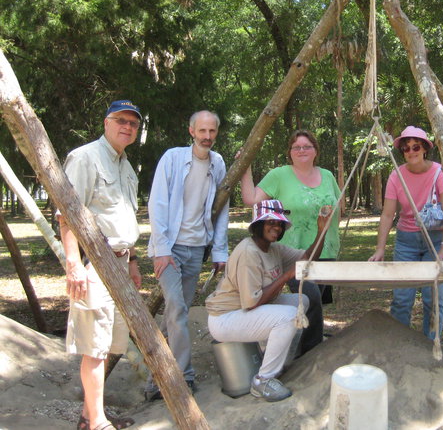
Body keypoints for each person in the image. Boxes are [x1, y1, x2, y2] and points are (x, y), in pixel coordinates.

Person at [60, 100, 143, 430]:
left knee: (108, 343)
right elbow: (66, 215)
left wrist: (134, 261)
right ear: (106, 122)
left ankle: (89, 416)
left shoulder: (126, 166)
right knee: (93, 347)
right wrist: (73, 265)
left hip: (121, 265)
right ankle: (97, 422)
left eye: (133, 124)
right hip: (93, 262)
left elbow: (125, 217)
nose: (127, 126)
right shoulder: (85, 158)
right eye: (120, 120)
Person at [206, 199, 329, 402]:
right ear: (258, 225)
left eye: (279, 224)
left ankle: (279, 364)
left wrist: (321, 231)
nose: (276, 227)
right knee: (289, 316)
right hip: (225, 318)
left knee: (302, 301)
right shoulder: (249, 252)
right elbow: (252, 303)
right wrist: (285, 276)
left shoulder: (274, 249)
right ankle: (263, 380)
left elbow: (307, 256)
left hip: (243, 312)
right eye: (270, 222)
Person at [144, 110, 229, 401]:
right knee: (177, 309)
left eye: (212, 132)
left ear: (217, 133)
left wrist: (219, 250)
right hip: (169, 249)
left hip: (196, 249)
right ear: (191, 130)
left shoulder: (217, 163)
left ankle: (156, 379)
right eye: (202, 131)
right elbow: (157, 204)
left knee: (173, 315)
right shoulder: (172, 158)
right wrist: (162, 250)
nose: (207, 137)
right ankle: (183, 376)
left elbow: (221, 212)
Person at [240, 129, 340, 353]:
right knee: (309, 297)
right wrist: (245, 168)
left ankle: (306, 344)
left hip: (326, 248)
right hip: (295, 252)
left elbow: (338, 204)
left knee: (315, 304)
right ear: (290, 152)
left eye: (307, 146)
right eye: (296, 147)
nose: (301, 150)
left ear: (315, 150)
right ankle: (309, 355)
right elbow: (252, 201)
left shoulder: (328, 176)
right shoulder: (280, 175)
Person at [369, 126, 443, 339]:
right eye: (406, 148)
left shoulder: (438, 173)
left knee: (433, 298)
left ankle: (430, 349)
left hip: (436, 239)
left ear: (425, 148)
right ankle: (399, 347)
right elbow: (388, 215)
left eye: (416, 146)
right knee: (401, 299)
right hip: (406, 241)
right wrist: (380, 249)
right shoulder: (396, 176)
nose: (411, 151)